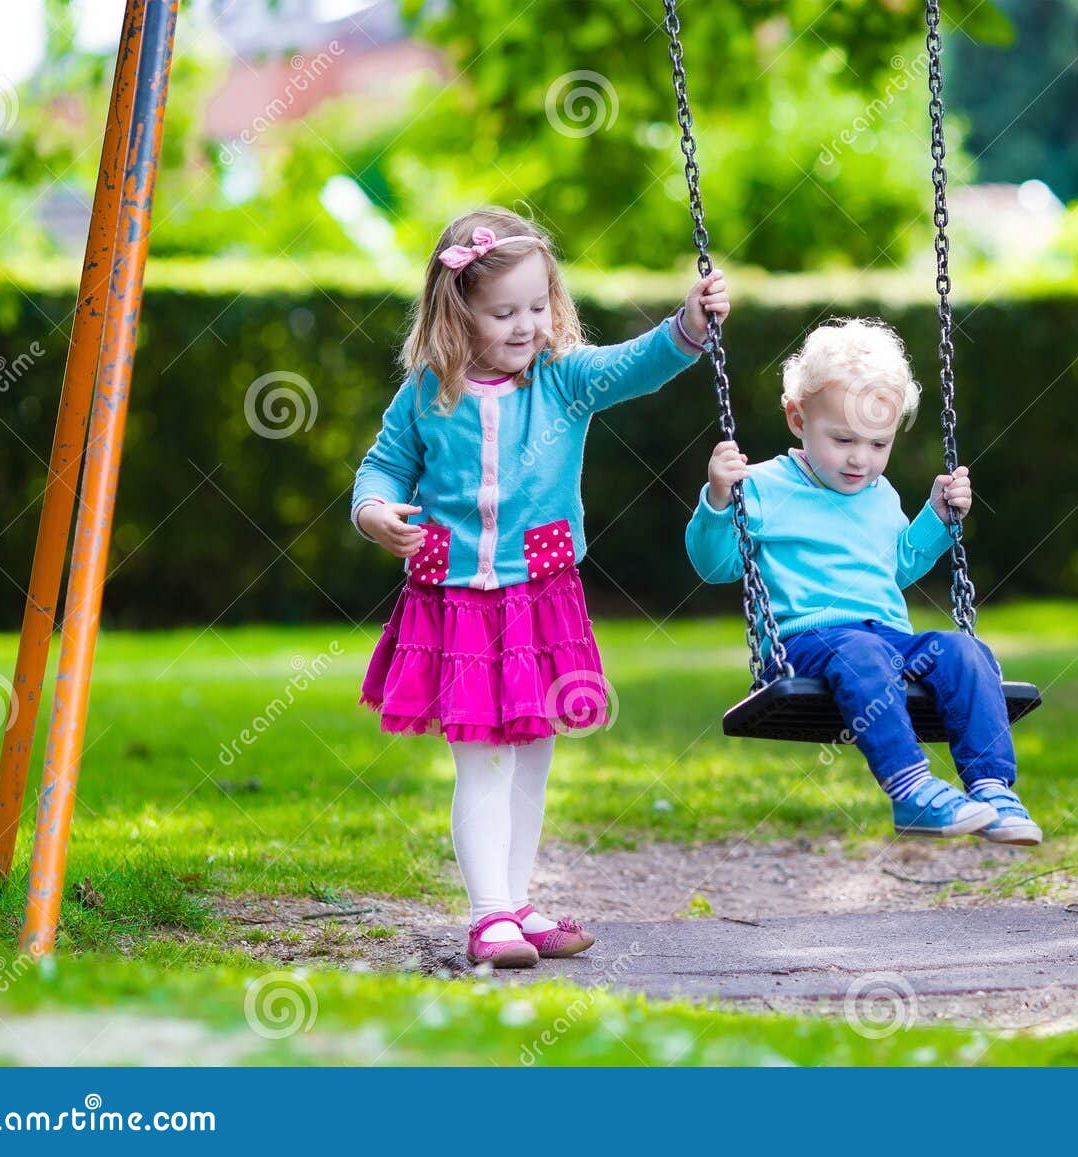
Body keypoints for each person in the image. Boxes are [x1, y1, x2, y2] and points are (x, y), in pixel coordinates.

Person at [354, 206, 730, 966]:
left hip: (538, 597)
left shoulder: (562, 381)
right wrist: (373, 512)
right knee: (484, 758)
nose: (526, 326)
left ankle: (517, 902)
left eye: (536, 306)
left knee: (533, 755)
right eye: (504, 313)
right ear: (456, 311)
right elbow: (383, 466)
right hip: (455, 602)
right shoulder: (428, 393)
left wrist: (689, 326)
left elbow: (638, 362)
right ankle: (488, 913)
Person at [685, 318, 1040, 845]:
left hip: (886, 637)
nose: (860, 458)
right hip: (805, 642)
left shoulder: (880, 495)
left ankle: (991, 787)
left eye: (879, 444)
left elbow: (897, 566)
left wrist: (937, 518)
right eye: (843, 439)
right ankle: (911, 788)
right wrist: (717, 500)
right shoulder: (758, 487)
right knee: (862, 653)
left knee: (963, 651)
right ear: (797, 418)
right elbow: (715, 566)